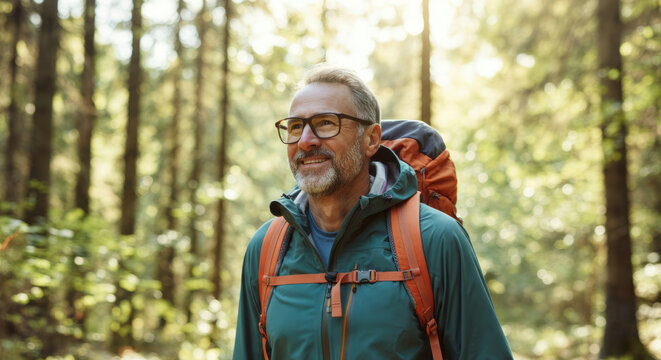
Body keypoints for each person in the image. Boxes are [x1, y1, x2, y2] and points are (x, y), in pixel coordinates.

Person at [233, 64, 512, 359]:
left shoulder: (435, 239)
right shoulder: (266, 249)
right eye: (295, 126)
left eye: (326, 123)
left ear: (371, 140)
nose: (306, 141)